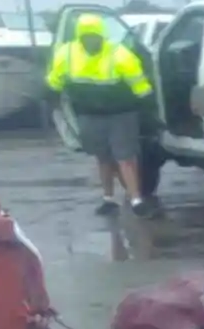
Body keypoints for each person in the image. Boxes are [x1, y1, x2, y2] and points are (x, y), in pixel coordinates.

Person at [46, 14, 156, 217]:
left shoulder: (118, 53)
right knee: (103, 158)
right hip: (89, 115)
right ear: (80, 36)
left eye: (94, 36)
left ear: (101, 36)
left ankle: (136, 200)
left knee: (125, 158)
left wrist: (148, 105)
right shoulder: (67, 53)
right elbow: (55, 80)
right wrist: (50, 96)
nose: (91, 40)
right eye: (86, 37)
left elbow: (138, 82)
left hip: (121, 114)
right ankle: (108, 199)